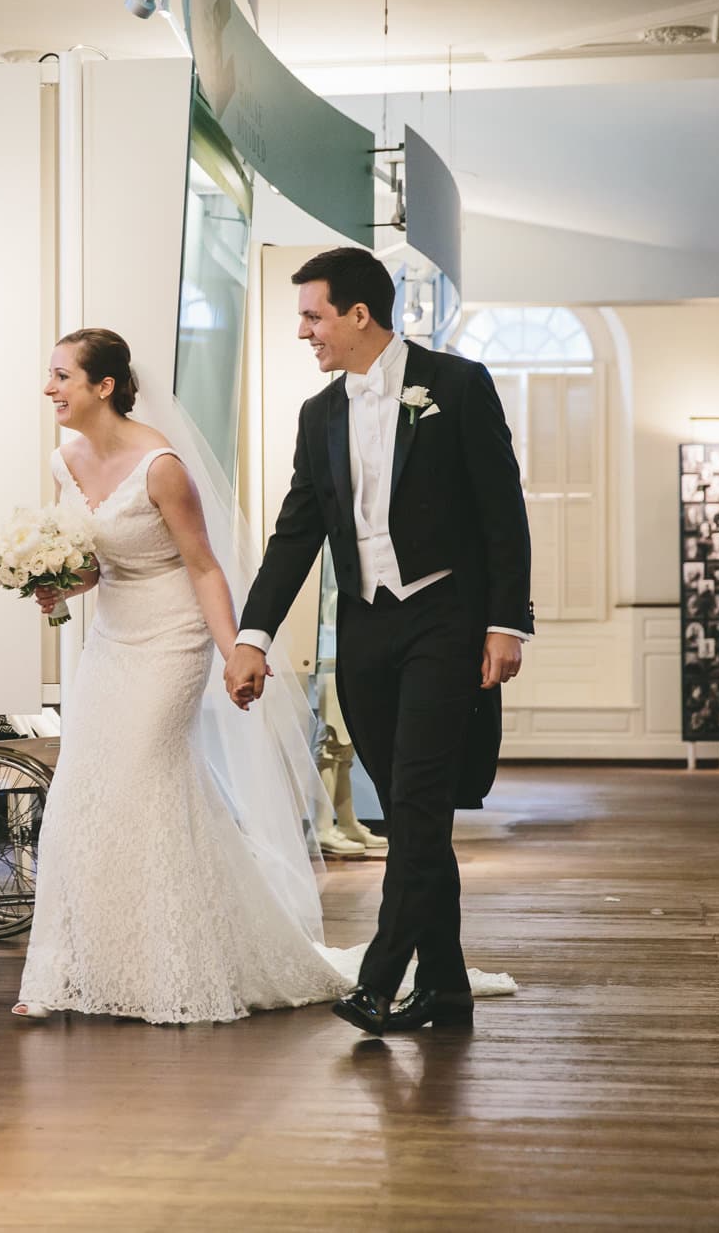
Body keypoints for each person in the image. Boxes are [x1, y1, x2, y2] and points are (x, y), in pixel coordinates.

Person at [11, 326, 514, 1025]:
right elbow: (102, 562)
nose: (49, 387)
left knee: (144, 781)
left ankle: (172, 963)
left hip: (173, 638)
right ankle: (69, 966)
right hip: (110, 642)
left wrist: (236, 651)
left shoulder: (161, 466)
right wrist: (60, 582)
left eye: (61, 375)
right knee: (80, 794)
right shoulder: (65, 461)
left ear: (102, 385)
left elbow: (204, 566)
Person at [225, 247, 534, 1035]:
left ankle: (380, 979)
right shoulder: (319, 414)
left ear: (358, 315)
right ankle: (448, 986)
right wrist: (253, 635)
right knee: (410, 815)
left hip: (445, 621)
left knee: (420, 801)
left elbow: (503, 511)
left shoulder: (458, 386)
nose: (303, 332)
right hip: (365, 632)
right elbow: (295, 536)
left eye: (311, 315)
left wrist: (507, 621)